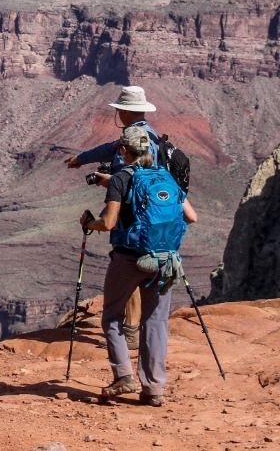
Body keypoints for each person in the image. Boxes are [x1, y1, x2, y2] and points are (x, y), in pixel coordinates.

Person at [79, 126, 197, 406]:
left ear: (123, 150)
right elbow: (192, 217)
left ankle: (123, 376)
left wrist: (88, 223)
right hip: (164, 260)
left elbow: (108, 223)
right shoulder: (167, 177)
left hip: (129, 259)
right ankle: (154, 389)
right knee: (155, 322)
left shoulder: (122, 179)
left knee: (111, 317)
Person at [65, 85, 162, 350]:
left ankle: (130, 333)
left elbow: (136, 181)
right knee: (142, 271)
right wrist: (83, 159)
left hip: (132, 219)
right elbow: (112, 149)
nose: (117, 112)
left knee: (130, 270)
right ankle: (138, 330)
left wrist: (111, 182)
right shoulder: (147, 135)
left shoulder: (138, 138)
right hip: (149, 218)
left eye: (120, 108)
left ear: (126, 111)